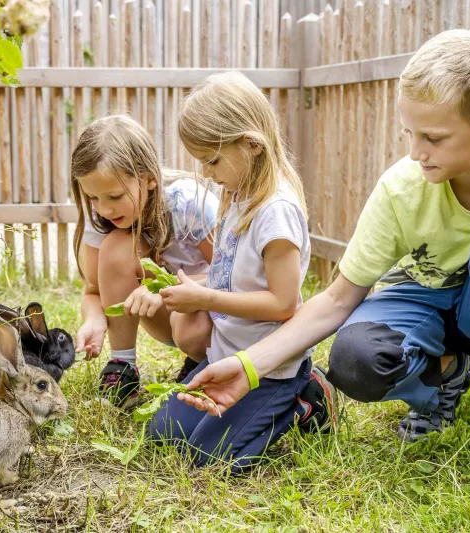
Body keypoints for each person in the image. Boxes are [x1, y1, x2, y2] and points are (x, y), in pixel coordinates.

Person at [179, 30, 470, 506]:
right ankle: (445, 376)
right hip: (423, 301)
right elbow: (335, 299)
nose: (416, 152)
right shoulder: (402, 188)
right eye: (410, 133)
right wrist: (249, 366)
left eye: (433, 138)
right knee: (354, 358)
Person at [147, 71, 337, 473]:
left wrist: (205, 299)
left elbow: (284, 304)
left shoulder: (275, 212)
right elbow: (231, 274)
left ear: (252, 144)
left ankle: (305, 397)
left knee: (211, 461)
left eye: (213, 160)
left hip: (269, 370)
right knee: (162, 435)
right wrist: (184, 288)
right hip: (225, 356)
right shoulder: (235, 194)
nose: (208, 172)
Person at [72, 115, 219, 407]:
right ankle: (122, 368)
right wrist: (94, 319)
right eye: (93, 198)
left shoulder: (189, 203)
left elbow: (232, 276)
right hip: (167, 318)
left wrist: (161, 290)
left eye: (114, 195)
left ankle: (204, 362)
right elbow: (92, 292)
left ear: (150, 178)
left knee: (192, 326)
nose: (104, 208)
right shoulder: (102, 216)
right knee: (115, 245)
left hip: (210, 318)